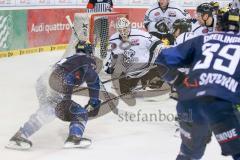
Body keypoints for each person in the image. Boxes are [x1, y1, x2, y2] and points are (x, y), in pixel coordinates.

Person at [154, 9, 240, 160]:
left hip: (189, 101)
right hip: (220, 105)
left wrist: (180, 82)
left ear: (219, 25)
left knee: (189, 154)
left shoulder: (203, 39)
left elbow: (161, 60)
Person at [6, 41, 101, 149]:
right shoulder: (87, 60)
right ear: (90, 52)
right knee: (79, 112)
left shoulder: (70, 59)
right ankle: (74, 138)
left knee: (49, 111)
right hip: (60, 80)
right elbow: (93, 80)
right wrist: (94, 102)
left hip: (43, 82)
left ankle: (21, 135)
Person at [105, 17, 165, 104]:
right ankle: (135, 84)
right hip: (130, 71)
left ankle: (152, 83)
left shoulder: (140, 34)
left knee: (155, 82)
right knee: (125, 93)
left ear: (129, 27)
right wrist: (109, 67)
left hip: (146, 68)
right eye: (120, 30)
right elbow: (111, 55)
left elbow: (158, 44)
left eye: (125, 29)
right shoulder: (113, 39)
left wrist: (158, 59)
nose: (123, 32)